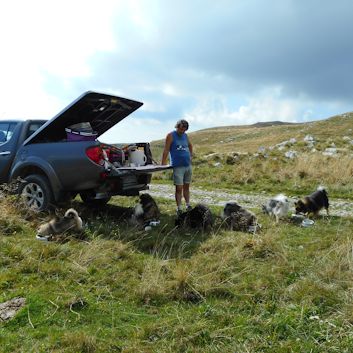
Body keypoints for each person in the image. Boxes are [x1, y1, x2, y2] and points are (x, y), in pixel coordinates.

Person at [162, 119, 193, 215]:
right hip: (178, 166)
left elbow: (190, 145)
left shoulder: (185, 135)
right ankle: (179, 208)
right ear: (177, 127)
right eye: (181, 129)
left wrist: (190, 156)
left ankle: (188, 205)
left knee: (186, 186)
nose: (182, 132)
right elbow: (166, 149)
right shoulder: (170, 135)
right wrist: (163, 163)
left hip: (187, 165)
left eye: (184, 130)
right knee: (179, 188)